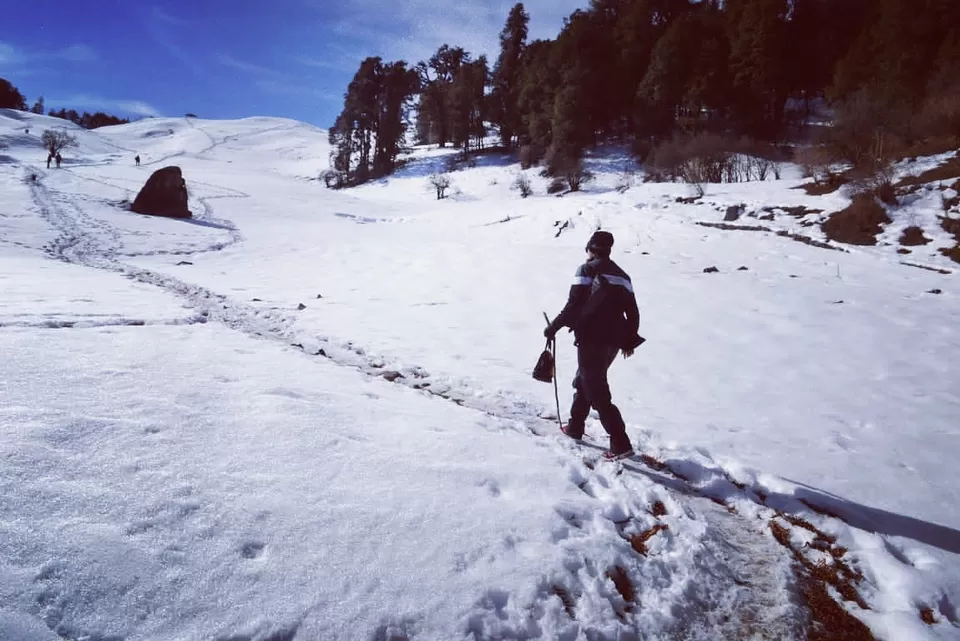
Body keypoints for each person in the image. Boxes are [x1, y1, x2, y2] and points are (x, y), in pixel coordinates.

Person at [544, 230, 643, 461]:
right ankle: (575, 427)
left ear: (590, 249)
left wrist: (552, 328)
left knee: (596, 390)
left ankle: (621, 444)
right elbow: (633, 313)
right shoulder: (623, 276)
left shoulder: (586, 270)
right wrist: (629, 340)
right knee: (586, 381)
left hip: (591, 340)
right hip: (613, 343)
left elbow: (572, 306)